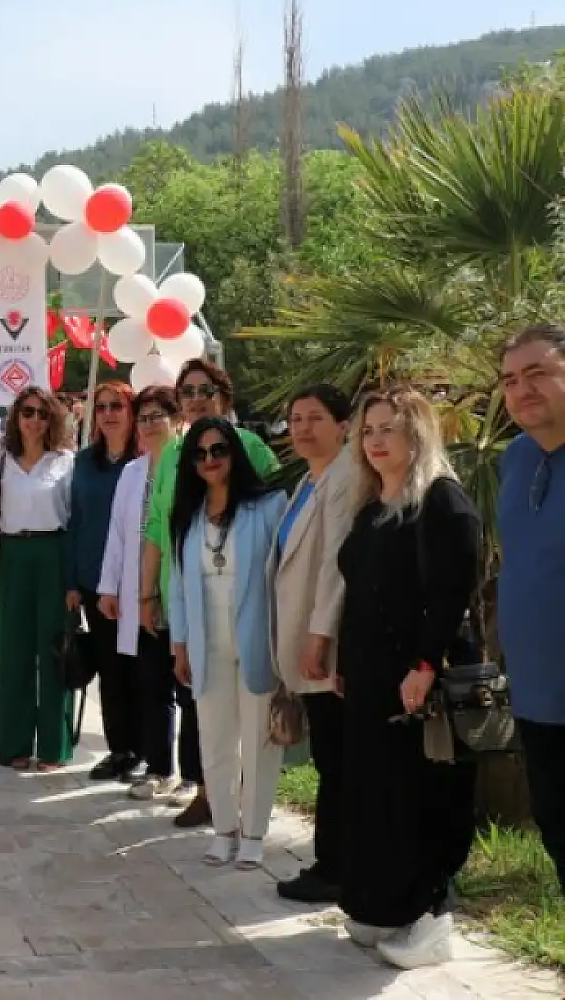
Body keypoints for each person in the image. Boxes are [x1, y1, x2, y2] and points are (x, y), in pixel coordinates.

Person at [336, 387, 480, 969]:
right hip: (371, 679)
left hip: (420, 679)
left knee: (425, 796)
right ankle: (386, 904)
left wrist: (425, 665)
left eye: (387, 429)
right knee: (379, 793)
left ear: (416, 434)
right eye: (367, 430)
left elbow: (451, 594)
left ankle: (430, 915)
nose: (374, 441)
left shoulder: (442, 502)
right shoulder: (372, 507)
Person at [141, 359, 279, 827]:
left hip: (244, 603)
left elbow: (273, 526)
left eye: (205, 389)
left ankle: (242, 801)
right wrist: (148, 594)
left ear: (224, 395)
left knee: (244, 710)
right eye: (187, 392)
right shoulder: (174, 454)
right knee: (198, 702)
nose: (196, 399)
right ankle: (209, 792)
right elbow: (159, 529)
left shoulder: (254, 448)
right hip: (184, 597)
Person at [167, 418, 288, 870]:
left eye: (218, 450)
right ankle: (224, 828)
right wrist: (179, 645)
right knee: (214, 738)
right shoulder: (187, 517)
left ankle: (255, 831)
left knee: (259, 739)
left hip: (257, 635)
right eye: (200, 454)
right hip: (206, 638)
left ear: (234, 453)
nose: (210, 460)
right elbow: (178, 587)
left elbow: (285, 577)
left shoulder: (269, 506)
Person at [272, 385, 358, 904]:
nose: (303, 428)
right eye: (296, 418)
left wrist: (321, 637)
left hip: (325, 645)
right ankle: (334, 860)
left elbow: (335, 568)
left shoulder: (345, 479)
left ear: (343, 425)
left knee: (337, 760)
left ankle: (337, 866)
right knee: (330, 757)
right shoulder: (311, 480)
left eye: (316, 418)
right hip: (303, 637)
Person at [496, 325, 565, 890]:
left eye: (538, 373)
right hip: (538, 695)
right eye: (511, 380)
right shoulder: (515, 460)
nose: (523, 390)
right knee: (558, 830)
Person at [97, 386, 187, 801]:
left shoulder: (191, 463)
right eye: (145, 417)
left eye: (158, 416)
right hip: (142, 596)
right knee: (151, 685)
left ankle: (195, 775)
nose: (150, 425)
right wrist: (109, 587)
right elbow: (117, 535)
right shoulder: (132, 473)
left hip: (183, 592)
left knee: (188, 691)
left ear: (175, 418)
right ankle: (158, 767)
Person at [0, 388, 75, 771]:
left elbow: (76, 520)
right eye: (27, 412)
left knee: (56, 651)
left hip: (54, 555)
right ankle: (15, 744)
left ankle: (54, 746)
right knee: (12, 652)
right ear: (16, 418)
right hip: (13, 556)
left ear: (52, 419)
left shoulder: (66, 462)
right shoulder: (0, 462)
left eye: (42, 413)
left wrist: (73, 580)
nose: (34, 420)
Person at [67, 381, 141, 784]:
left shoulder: (146, 462)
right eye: (102, 407)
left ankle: (149, 750)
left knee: (140, 672)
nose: (109, 414)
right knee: (110, 671)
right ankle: (120, 750)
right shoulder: (84, 463)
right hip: (96, 582)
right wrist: (72, 580)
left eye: (117, 406)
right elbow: (75, 522)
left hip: (139, 582)